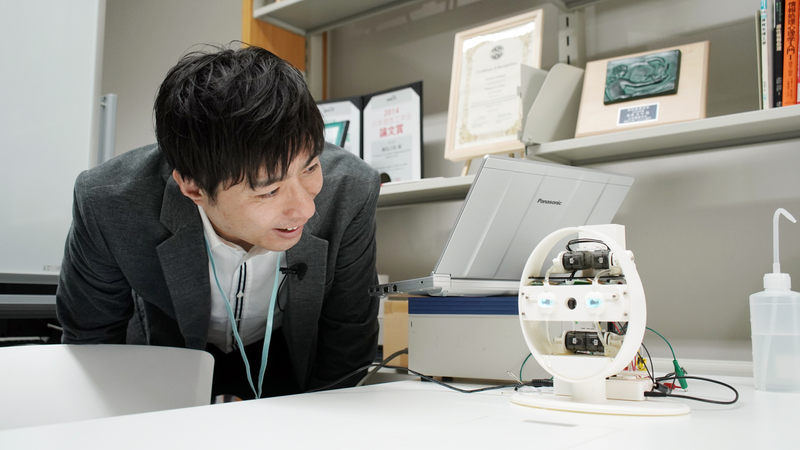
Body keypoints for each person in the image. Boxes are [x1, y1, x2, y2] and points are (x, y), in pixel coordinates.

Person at [56, 44, 381, 400]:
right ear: (192, 186)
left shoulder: (351, 189)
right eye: (268, 191)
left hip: (289, 360)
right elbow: (92, 340)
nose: (304, 209)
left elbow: (348, 336)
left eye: (310, 168)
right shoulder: (110, 202)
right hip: (169, 359)